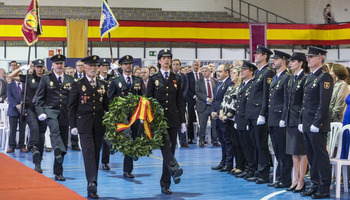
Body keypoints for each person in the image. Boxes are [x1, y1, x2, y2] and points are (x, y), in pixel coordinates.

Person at [68, 55, 108, 199]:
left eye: (95, 66)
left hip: (98, 124)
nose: (93, 68)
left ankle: (92, 186)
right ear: (84, 68)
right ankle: (92, 182)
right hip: (83, 125)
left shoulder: (103, 84)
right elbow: (71, 106)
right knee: (88, 153)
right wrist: (72, 125)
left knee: (96, 154)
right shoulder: (78, 84)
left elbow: (106, 106)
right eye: (90, 66)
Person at [146, 49, 184, 195]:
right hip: (159, 120)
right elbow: (148, 100)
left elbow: (180, 100)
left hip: (173, 119)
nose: (167, 60)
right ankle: (173, 170)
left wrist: (183, 121)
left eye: (169, 58)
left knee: (171, 150)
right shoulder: (153, 78)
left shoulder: (177, 78)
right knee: (165, 148)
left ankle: (165, 182)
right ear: (159, 61)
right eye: (164, 58)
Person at [299, 46, 333, 199]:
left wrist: (317, 122)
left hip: (317, 125)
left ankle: (324, 187)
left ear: (320, 58)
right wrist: (302, 121)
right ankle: (315, 184)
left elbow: (323, 103)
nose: (308, 59)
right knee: (311, 156)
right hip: (307, 123)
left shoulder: (324, 77)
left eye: (311, 56)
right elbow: (305, 102)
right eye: (308, 56)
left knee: (320, 156)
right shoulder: (309, 77)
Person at [35, 54, 75, 181]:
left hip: (65, 113)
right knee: (54, 130)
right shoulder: (46, 79)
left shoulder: (70, 80)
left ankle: (58, 172)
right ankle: (57, 148)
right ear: (52, 65)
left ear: (64, 65)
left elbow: (73, 99)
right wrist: (40, 111)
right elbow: (39, 98)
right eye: (57, 63)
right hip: (50, 112)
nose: (59, 66)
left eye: (61, 63)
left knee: (63, 140)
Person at [108, 55, 144, 178]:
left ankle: (128, 168)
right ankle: (127, 169)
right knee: (127, 139)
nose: (128, 66)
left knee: (133, 138)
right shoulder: (115, 81)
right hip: (122, 117)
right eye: (125, 64)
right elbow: (110, 99)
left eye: (130, 64)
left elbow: (143, 98)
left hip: (135, 116)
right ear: (121, 66)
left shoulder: (138, 80)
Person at [8, 59, 47, 173]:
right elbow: (10, 76)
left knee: (41, 134)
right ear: (34, 67)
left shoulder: (46, 79)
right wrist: (21, 68)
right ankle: (34, 148)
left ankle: (38, 161)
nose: (39, 69)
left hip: (43, 110)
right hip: (30, 109)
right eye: (37, 67)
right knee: (34, 128)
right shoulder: (29, 78)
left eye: (41, 67)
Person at [245, 45, 275, 184]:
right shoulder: (258, 73)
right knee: (255, 144)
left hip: (259, 113)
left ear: (264, 56)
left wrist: (263, 113)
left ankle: (263, 173)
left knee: (261, 144)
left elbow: (265, 95)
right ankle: (258, 170)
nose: (255, 55)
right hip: (252, 113)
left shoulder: (268, 73)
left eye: (258, 53)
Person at [268, 50, 292, 188]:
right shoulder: (276, 77)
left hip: (280, 118)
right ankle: (280, 177)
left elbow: (286, 100)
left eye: (276, 60)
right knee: (277, 151)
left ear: (283, 62)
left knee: (283, 151)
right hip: (272, 118)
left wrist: (284, 118)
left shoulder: (287, 77)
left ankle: (285, 179)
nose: (273, 61)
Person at [285, 52, 309, 193]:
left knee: (302, 151)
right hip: (291, 118)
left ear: (301, 62)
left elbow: (304, 101)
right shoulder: (292, 78)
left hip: (300, 118)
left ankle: (301, 179)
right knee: (293, 151)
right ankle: (295, 178)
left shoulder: (305, 78)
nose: (291, 63)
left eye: (293, 61)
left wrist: (301, 119)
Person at [219, 66, 246, 176]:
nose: (232, 75)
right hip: (226, 119)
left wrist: (228, 115)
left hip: (233, 118)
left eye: (234, 73)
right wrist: (221, 113)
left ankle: (240, 165)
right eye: (231, 73)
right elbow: (224, 101)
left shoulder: (240, 87)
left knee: (237, 143)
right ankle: (236, 164)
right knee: (231, 143)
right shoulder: (230, 87)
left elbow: (236, 104)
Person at [234, 61, 257, 179]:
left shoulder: (252, 84)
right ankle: (248, 167)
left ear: (251, 71)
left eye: (244, 69)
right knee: (244, 146)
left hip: (247, 119)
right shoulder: (243, 85)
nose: (241, 72)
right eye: (241, 70)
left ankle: (252, 168)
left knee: (249, 146)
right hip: (241, 119)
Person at [211, 64, 234, 173]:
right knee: (221, 140)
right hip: (216, 116)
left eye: (220, 71)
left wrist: (219, 112)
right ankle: (223, 161)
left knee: (227, 141)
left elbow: (226, 101)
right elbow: (215, 100)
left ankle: (229, 163)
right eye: (217, 71)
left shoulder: (229, 84)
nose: (218, 73)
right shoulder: (218, 84)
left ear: (227, 73)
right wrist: (212, 111)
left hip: (223, 117)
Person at [6, 69, 28, 153]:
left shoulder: (25, 84)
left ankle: (22, 145)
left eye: (20, 75)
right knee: (13, 128)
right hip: (13, 109)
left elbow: (27, 96)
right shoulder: (10, 85)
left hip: (23, 109)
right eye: (17, 75)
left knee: (22, 128)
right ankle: (12, 145)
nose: (18, 77)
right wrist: (16, 105)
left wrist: (22, 105)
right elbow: (10, 97)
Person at [195, 65, 217, 147]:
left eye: (205, 71)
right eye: (202, 71)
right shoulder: (199, 81)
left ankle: (215, 140)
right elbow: (198, 92)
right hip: (203, 106)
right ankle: (202, 140)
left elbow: (217, 91)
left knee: (214, 124)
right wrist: (207, 99)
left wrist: (213, 99)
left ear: (210, 72)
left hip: (213, 106)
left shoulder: (215, 81)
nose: (204, 73)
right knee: (202, 124)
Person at [98, 58, 114, 170]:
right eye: (102, 66)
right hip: (98, 111)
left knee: (107, 136)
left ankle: (105, 161)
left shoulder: (112, 79)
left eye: (106, 66)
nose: (105, 68)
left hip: (109, 111)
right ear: (99, 68)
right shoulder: (96, 80)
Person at [172, 59, 189, 148]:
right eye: (174, 64)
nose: (175, 66)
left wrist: (181, 98)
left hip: (181, 102)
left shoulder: (183, 76)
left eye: (177, 64)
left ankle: (183, 141)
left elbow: (186, 89)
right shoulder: (169, 76)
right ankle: (172, 141)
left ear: (180, 66)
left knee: (182, 121)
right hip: (171, 103)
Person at [186, 60, 203, 144]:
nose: (196, 66)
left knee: (201, 119)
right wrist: (194, 96)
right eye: (195, 65)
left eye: (197, 65)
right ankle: (190, 137)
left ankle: (201, 137)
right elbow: (187, 88)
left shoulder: (201, 75)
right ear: (192, 66)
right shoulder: (188, 75)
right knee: (191, 119)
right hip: (191, 99)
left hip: (201, 100)